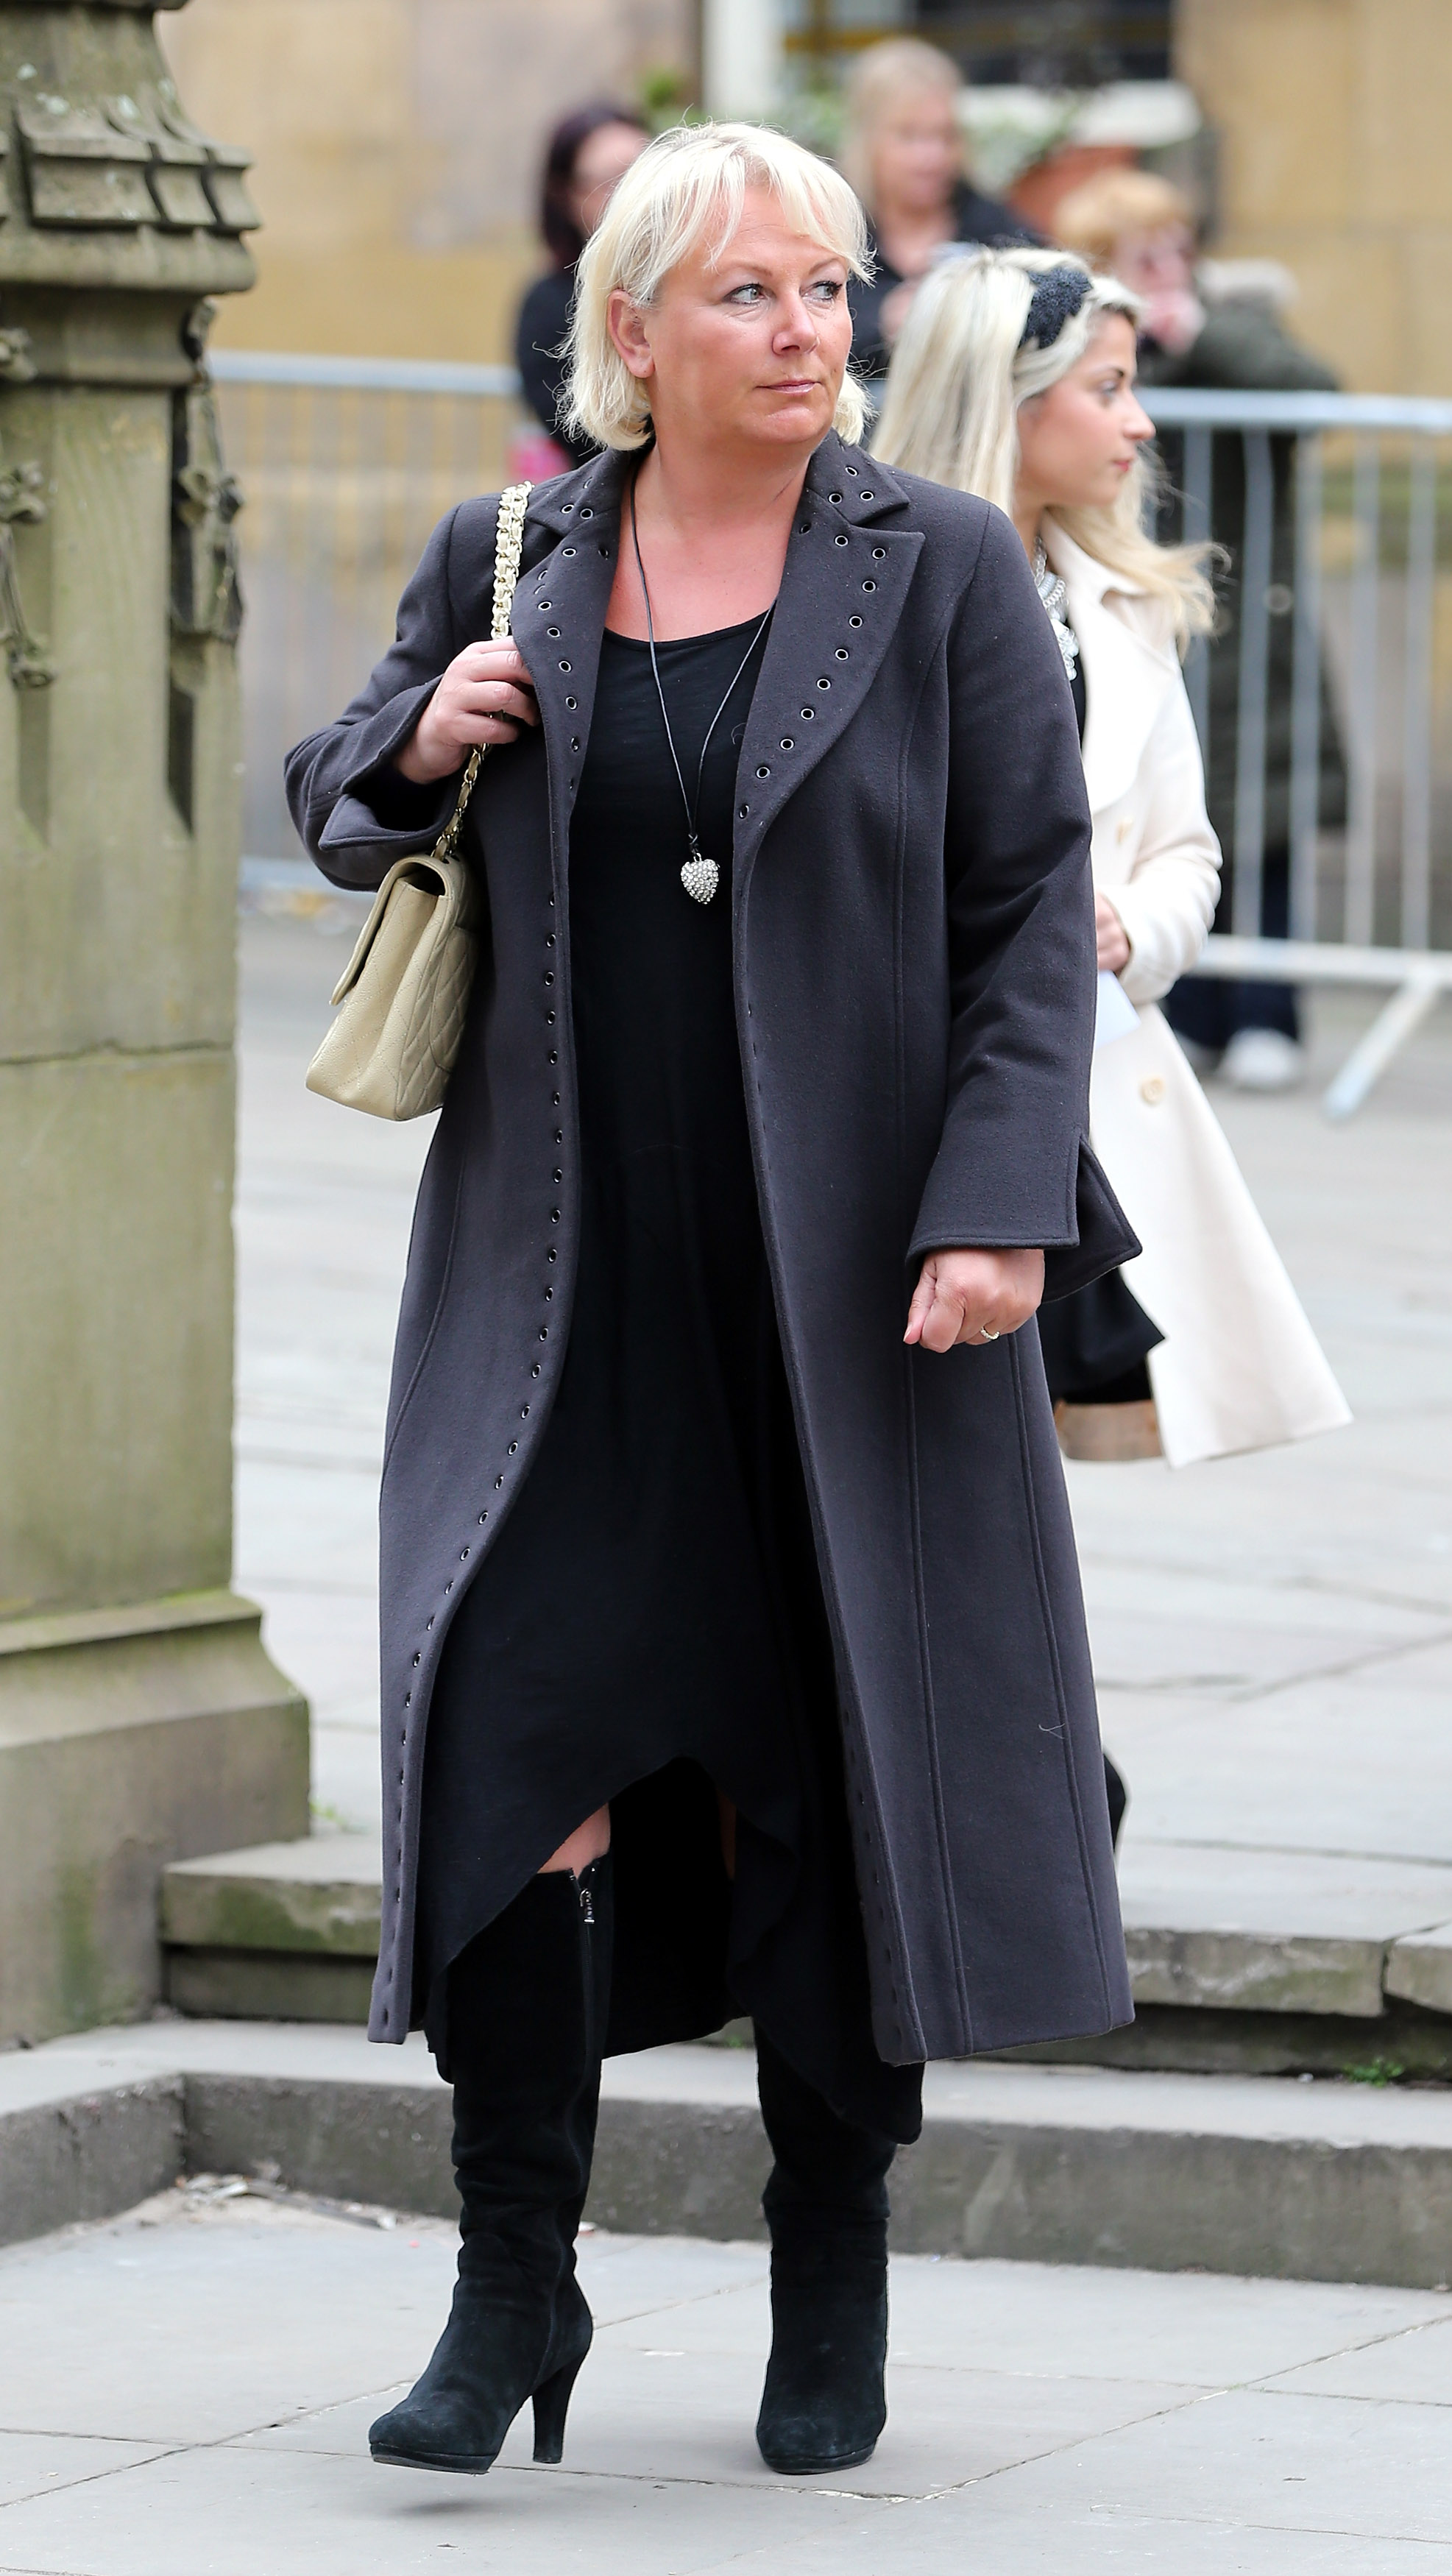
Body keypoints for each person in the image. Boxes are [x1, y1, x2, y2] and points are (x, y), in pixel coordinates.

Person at [287, 124, 1136, 2491]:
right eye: (751, 292)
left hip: (850, 1296)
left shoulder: (941, 564)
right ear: (633, 326)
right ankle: (507, 2273)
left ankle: (828, 2257)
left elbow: (1020, 912)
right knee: (511, 1746)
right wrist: (416, 734)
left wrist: (993, 1212)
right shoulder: (518, 545)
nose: (806, 329)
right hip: (559, 1288)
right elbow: (335, 794)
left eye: (829, 287)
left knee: (821, 1774)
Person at [874, 246, 1350, 1479]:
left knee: (1006, 1464)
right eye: (1106, 387)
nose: (1138, 422)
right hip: (894, 1088)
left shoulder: (1126, 602)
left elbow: (1188, 857)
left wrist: (1124, 931)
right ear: (1005, 396)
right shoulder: (866, 585)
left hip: (1065, 1099)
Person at [1054, 169, 1347, 1091]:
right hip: (1137, 608)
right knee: (1160, 817)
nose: (1169, 266)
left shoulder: (1230, 323)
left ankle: (1270, 1012)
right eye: (1144, 252)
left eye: (1177, 244)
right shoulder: (1082, 351)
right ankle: (1192, 1013)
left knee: (1258, 820)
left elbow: (1314, 389)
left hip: (1243, 617)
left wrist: (1201, 328)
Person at [840, 38, 1038, 381]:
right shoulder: (832, 233)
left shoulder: (995, 228)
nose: (932, 157)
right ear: (867, 139)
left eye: (945, 136)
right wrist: (881, 323)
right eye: (910, 136)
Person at [513, 100, 649, 473]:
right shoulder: (549, 302)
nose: (632, 196)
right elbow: (573, 425)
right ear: (568, 197)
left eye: (645, 175)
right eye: (611, 182)